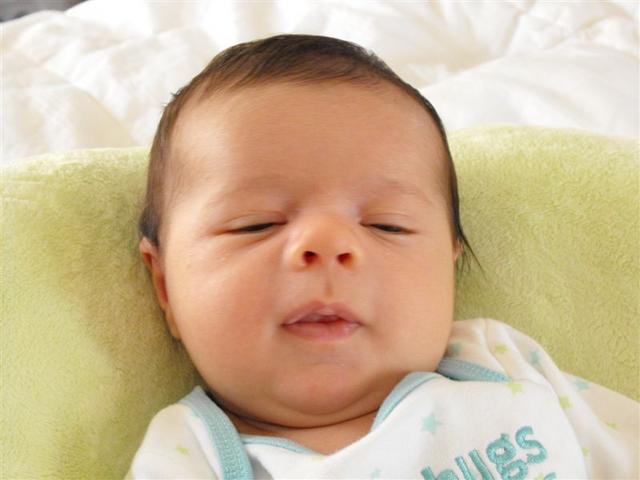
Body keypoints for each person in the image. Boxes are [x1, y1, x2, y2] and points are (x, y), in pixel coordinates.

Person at [129, 34, 638, 479]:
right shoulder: (189, 456)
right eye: (256, 224)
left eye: (386, 225)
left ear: (448, 267)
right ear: (166, 286)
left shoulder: (502, 365)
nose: (329, 244)